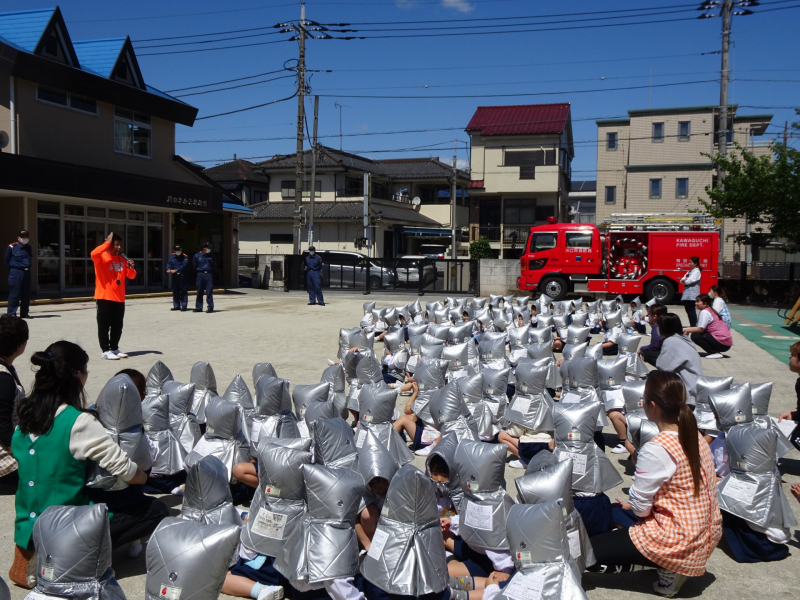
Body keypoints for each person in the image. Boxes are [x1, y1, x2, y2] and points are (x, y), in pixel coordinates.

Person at [9, 341, 150, 588]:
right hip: (65, 524)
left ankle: (26, 554)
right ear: (76, 374)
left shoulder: (25, 416)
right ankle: (71, 559)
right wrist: (146, 478)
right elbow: (126, 470)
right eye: (86, 371)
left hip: (27, 522)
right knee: (153, 509)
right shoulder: (79, 421)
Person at [588, 371, 722, 597]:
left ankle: (669, 566)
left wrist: (635, 505)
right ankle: (670, 563)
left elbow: (641, 509)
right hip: (705, 531)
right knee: (619, 513)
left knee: (587, 553)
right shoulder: (695, 435)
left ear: (652, 405)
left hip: (676, 538)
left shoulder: (657, 447)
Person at [91, 232, 135, 361]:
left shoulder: (122, 259)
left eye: (121, 245)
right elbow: (93, 253)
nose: (119, 247)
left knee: (117, 325)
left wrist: (131, 268)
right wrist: (107, 243)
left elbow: (131, 276)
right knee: (104, 325)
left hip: (119, 298)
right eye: (116, 245)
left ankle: (114, 348)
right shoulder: (102, 257)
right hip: (104, 296)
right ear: (110, 245)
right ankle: (105, 350)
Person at [0, 315, 28, 490]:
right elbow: (2, 425)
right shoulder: (3, 378)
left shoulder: (6, 367)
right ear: (19, 346)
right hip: (5, 461)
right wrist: (24, 455)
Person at [655, 313, 703, 407]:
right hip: (695, 385)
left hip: (687, 390)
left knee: (655, 378)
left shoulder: (671, 341)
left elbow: (662, 366)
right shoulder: (683, 338)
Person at [683, 294, 733, 359]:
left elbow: (700, 329)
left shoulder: (705, 312)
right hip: (725, 343)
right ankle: (715, 351)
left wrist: (686, 330)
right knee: (697, 333)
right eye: (696, 301)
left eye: (698, 301)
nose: (696, 303)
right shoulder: (709, 310)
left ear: (705, 304)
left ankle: (714, 352)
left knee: (695, 336)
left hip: (722, 343)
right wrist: (689, 329)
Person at [4, 231, 32, 319]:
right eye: (23, 237)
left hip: (26, 272)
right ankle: (12, 314)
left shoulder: (28, 248)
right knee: (14, 294)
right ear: (18, 238)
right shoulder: (12, 247)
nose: (25, 238)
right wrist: (13, 269)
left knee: (26, 294)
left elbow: (30, 259)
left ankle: (24, 313)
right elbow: (6, 260)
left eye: (26, 237)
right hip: (16, 272)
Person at [679, 256, 702, 327]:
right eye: (689, 262)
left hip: (692, 294)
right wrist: (684, 280)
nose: (689, 264)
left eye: (690, 262)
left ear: (695, 263)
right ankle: (692, 324)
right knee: (688, 310)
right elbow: (681, 280)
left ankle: (694, 325)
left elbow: (689, 281)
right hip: (687, 294)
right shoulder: (689, 272)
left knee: (691, 310)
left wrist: (684, 281)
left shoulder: (696, 272)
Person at [193, 242, 215, 313]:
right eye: (207, 247)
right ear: (203, 248)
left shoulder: (211, 256)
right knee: (199, 291)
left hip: (208, 274)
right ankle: (199, 307)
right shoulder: (197, 256)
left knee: (209, 291)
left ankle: (210, 307)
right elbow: (194, 265)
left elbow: (214, 265)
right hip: (200, 274)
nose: (209, 249)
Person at [166, 245, 189, 311]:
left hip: (182, 275)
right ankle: (176, 306)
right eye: (177, 250)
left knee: (183, 291)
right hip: (175, 276)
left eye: (179, 250)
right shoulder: (172, 256)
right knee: (175, 291)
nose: (178, 251)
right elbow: (169, 263)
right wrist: (168, 269)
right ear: (174, 251)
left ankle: (184, 306)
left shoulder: (185, 257)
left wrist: (176, 270)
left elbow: (184, 265)